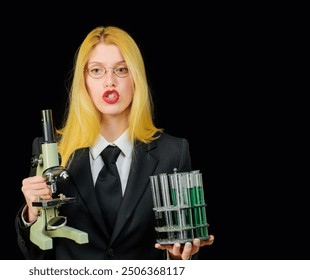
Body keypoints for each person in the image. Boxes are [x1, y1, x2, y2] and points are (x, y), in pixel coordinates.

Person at [15, 25, 214, 260]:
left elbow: (182, 244)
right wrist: (31, 214)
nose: (110, 82)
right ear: (84, 81)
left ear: (135, 78)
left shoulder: (174, 152)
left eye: (121, 69)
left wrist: (179, 257)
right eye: (97, 70)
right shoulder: (51, 151)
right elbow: (35, 256)